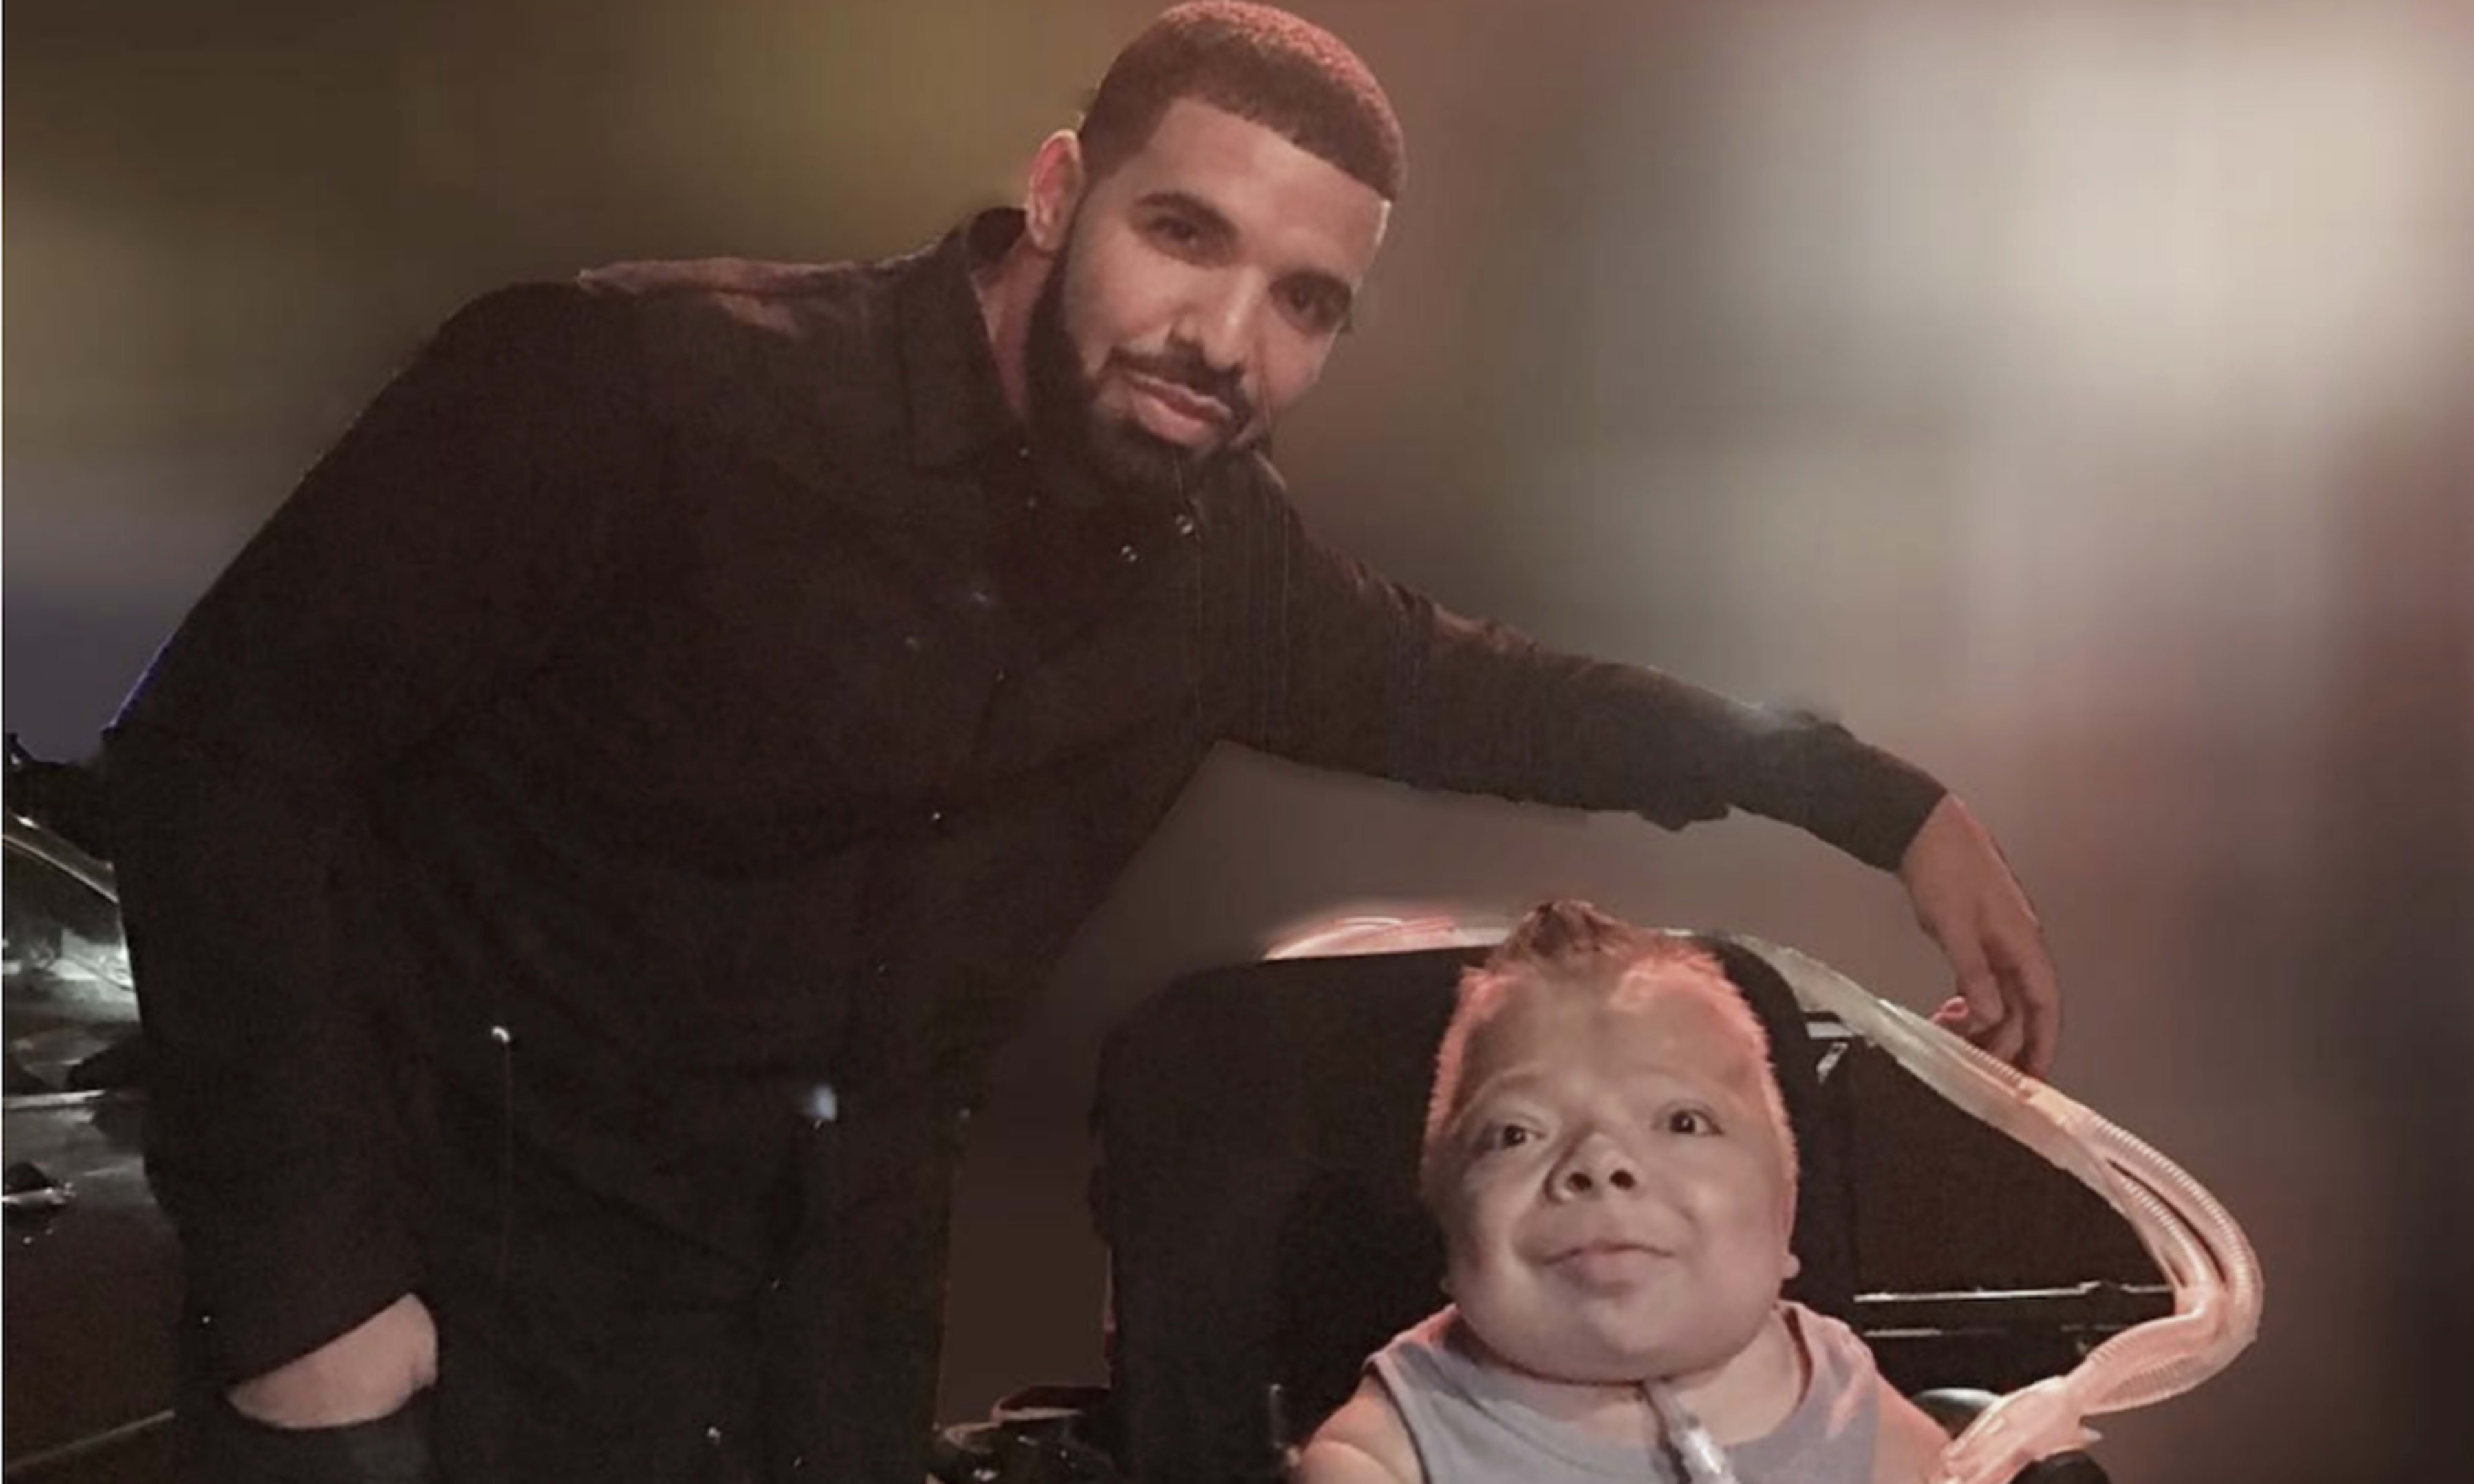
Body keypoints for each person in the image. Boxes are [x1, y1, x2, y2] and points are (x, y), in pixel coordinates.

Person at [100, 5, 2054, 1481]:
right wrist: (310, 1297)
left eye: (1304, 301)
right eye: (1182, 236)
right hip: (441, 1339)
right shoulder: (632, 385)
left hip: (819, 1369)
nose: (1224, 337)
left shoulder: (1221, 564)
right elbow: (224, 756)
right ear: (1056, 191)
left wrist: (1879, 799)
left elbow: (1497, 692)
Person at [1296, 900, 1952, 1484]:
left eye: (1683, 1122)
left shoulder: (1852, 1400)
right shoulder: (1387, 1453)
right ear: (1446, 1222)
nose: (1599, 1162)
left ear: (1787, 1212)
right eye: (1518, 1133)